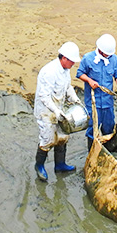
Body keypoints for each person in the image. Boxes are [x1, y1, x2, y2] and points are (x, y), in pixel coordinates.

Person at [34, 41, 83, 182]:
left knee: (62, 136)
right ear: (64, 58)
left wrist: (74, 98)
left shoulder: (66, 71)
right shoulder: (49, 72)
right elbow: (44, 96)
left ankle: (60, 165)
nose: (73, 64)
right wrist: (55, 110)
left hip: (59, 108)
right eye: (72, 61)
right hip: (45, 111)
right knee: (48, 139)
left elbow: (67, 87)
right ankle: (39, 166)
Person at [76, 34, 117, 150]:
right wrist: (89, 80)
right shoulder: (88, 58)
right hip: (93, 104)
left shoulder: (113, 59)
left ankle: (108, 152)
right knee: (92, 129)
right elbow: (80, 73)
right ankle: (92, 153)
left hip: (107, 103)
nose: (108, 55)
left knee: (109, 128)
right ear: (101, 50)